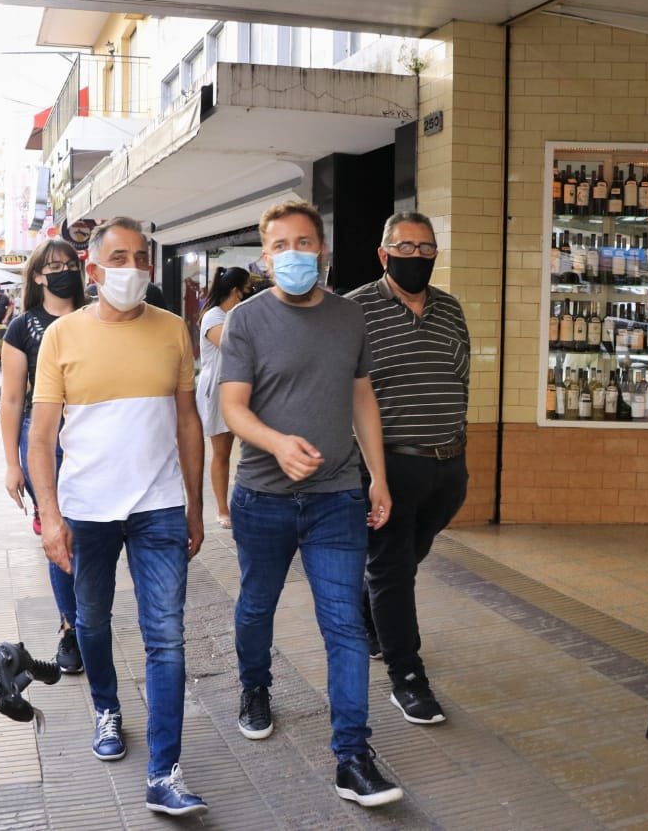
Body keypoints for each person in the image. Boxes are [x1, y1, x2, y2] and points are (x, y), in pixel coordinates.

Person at [219, 200, 403, 808]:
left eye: (305, 243)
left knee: (345, 625)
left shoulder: (349, 318)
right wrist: (276, 442)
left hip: (335, 498)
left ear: (322, 249)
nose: (295, 254)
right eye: (282, 245)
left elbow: (363, 399)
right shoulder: (245, 320)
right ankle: (255, 686)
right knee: (255, 608)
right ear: (265, 256)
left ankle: (352, 755)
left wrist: (377, 476)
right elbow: (233, 407)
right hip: (263, 497)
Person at [29, 217, 208, 817]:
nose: (131, 269)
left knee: (167, 637)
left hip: (159, 508)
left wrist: (195, 503)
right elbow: (41, 435)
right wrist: (50, 516)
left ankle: (165, 771)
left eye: (141, 258)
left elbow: (188, 421)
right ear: (94, 270)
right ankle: (107, 706)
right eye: (119, 259)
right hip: (87, 511)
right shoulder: (62, 336)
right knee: (92, 621)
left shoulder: (174, 330)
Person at [345, 211, 470, 727]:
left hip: (447, 468)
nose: (416, 257)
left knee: (406, 558)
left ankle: (369, 609)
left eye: (425, 248)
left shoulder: (450, 308)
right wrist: (369, 473)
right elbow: (346, 395)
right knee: (394, 567)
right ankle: (408, 676)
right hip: (388, 467)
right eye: (405, 247)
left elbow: (460, 379)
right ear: (383, 254)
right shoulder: (354, 311)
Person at [0, 238, 85, 674]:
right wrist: (13, 463)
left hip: (93, 438)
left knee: (91, 534)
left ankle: (90, 619)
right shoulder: (23, 327)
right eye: (54, 265)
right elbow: (12, 399)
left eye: (70, 263)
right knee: (60, 533)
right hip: (44, 441)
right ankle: (72, 627)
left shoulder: (96, 317)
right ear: (37, 275)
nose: (63, 270)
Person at [196, 266, 251, 528]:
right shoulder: (213, 317)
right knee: (222, 451)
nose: (251, 292)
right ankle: (222, 508)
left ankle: (245, 502)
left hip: (238, 387)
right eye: (248, 287)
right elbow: (233, 346)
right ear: (235, 291)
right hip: (216, 390)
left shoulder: (234, 314)